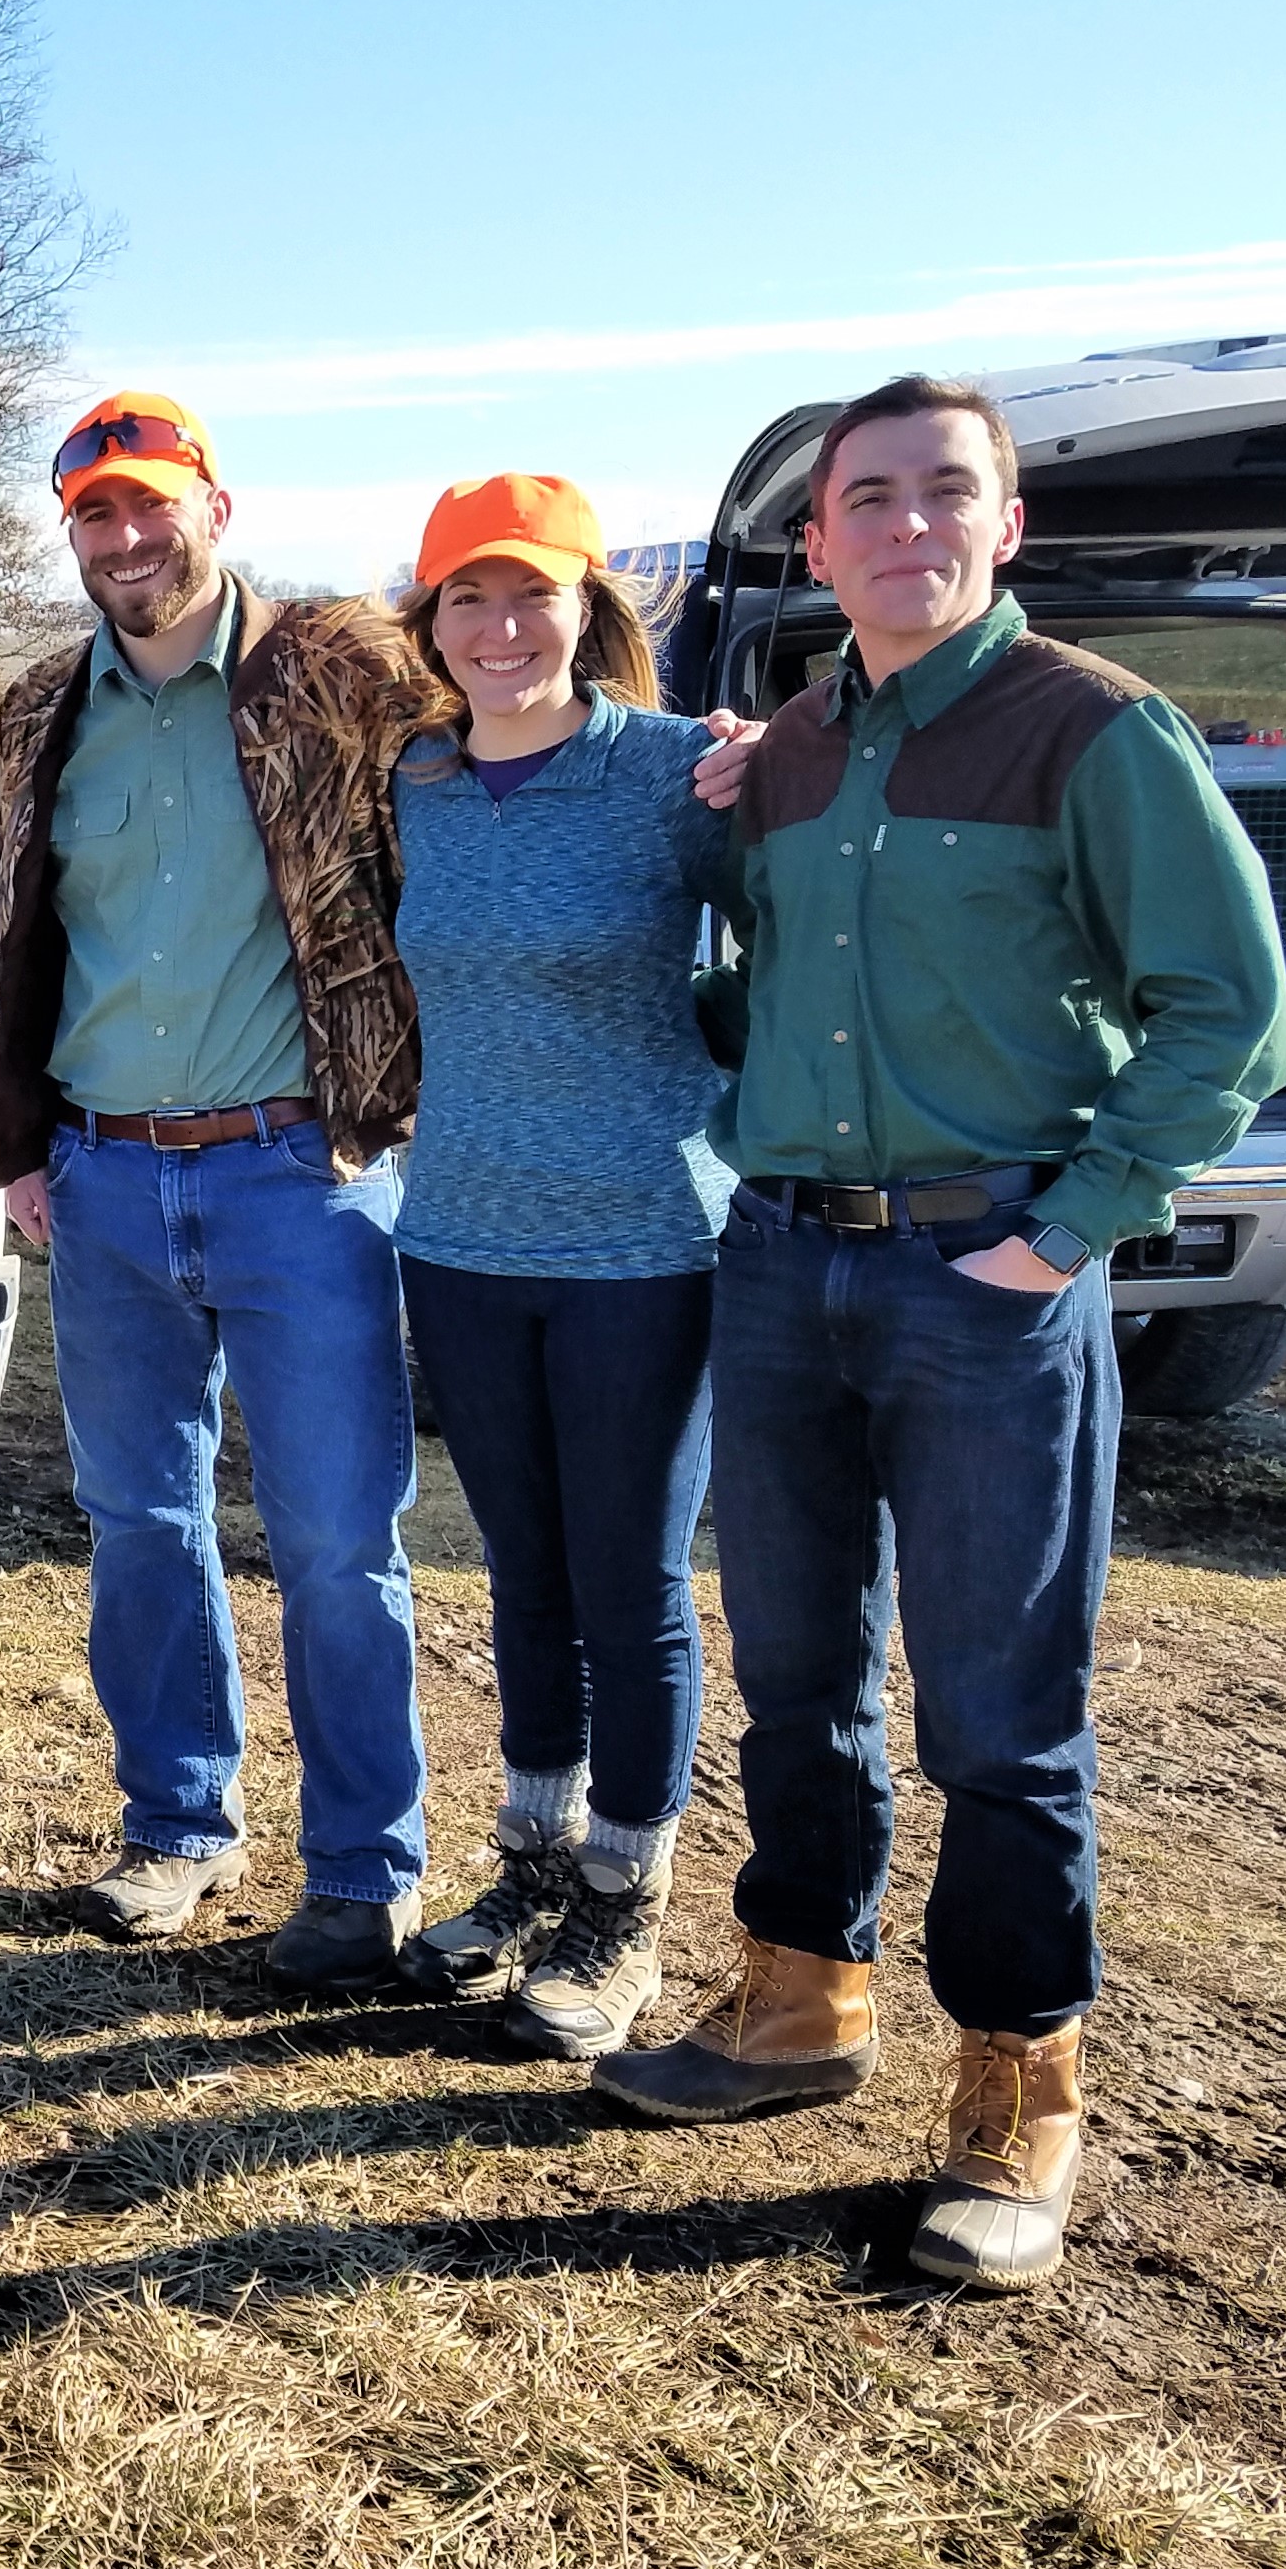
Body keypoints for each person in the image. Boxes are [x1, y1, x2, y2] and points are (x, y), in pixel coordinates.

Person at [592, 375, 1286, 2291]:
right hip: (783, 1263)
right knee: (799, 1669)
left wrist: (1068, 1231)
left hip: (985, 1276)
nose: (909, 525)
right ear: (819, 542)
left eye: (946, 492)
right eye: (872, 499)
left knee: (1002, 1711)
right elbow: (754, 983)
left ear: (1005, 524)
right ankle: (798, 2001)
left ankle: (1018, 2089)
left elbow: (1232, 1016)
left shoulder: (1095, 730)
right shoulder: (794, 752)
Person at [0, 392, 449, 1991]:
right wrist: (17, 1148)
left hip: (300, 1174)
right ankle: (176, 1826)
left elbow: (521, 740)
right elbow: (1, 927)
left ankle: (364, 1870)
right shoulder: (37, 715)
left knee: (337, 1538)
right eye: (94, 515)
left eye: (148, 504)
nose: (125, 538)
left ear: (214, 509)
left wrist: (700, 754)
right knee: (139, 1523)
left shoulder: (342, 671)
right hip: (105, 1178)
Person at [383, 476, 737, 2055]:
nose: (502, 626)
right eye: (468, 597)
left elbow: (806, 936)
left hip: (641, 1241)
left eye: (533, 592)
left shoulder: (679, 773)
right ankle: (532, 1866)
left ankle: (624, 1901)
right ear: (432, 625)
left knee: (629, 1580)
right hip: (459, 1234)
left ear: (590, 606)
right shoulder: (414, 782)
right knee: (520, 1569)